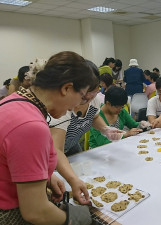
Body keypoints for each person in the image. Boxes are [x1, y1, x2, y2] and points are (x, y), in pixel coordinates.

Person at [0, 51, 94, 224]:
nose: (77, 106)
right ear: (66, 88)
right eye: (81, 97)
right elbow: (36, 212)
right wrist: (77, 220)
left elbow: (11, 160)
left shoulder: (14, 101)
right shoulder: (30, 126)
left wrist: (45, 177)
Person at [49, 60, 123, 206]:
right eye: (87, 92)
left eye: (96, 90)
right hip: (51, 158)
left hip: (73, 149)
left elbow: (93, 117)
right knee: (66, 194)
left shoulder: (93, 100)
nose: (91, 96)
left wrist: (105, 129)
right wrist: (73, 180)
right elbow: (56, 150)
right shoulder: (65, 107)